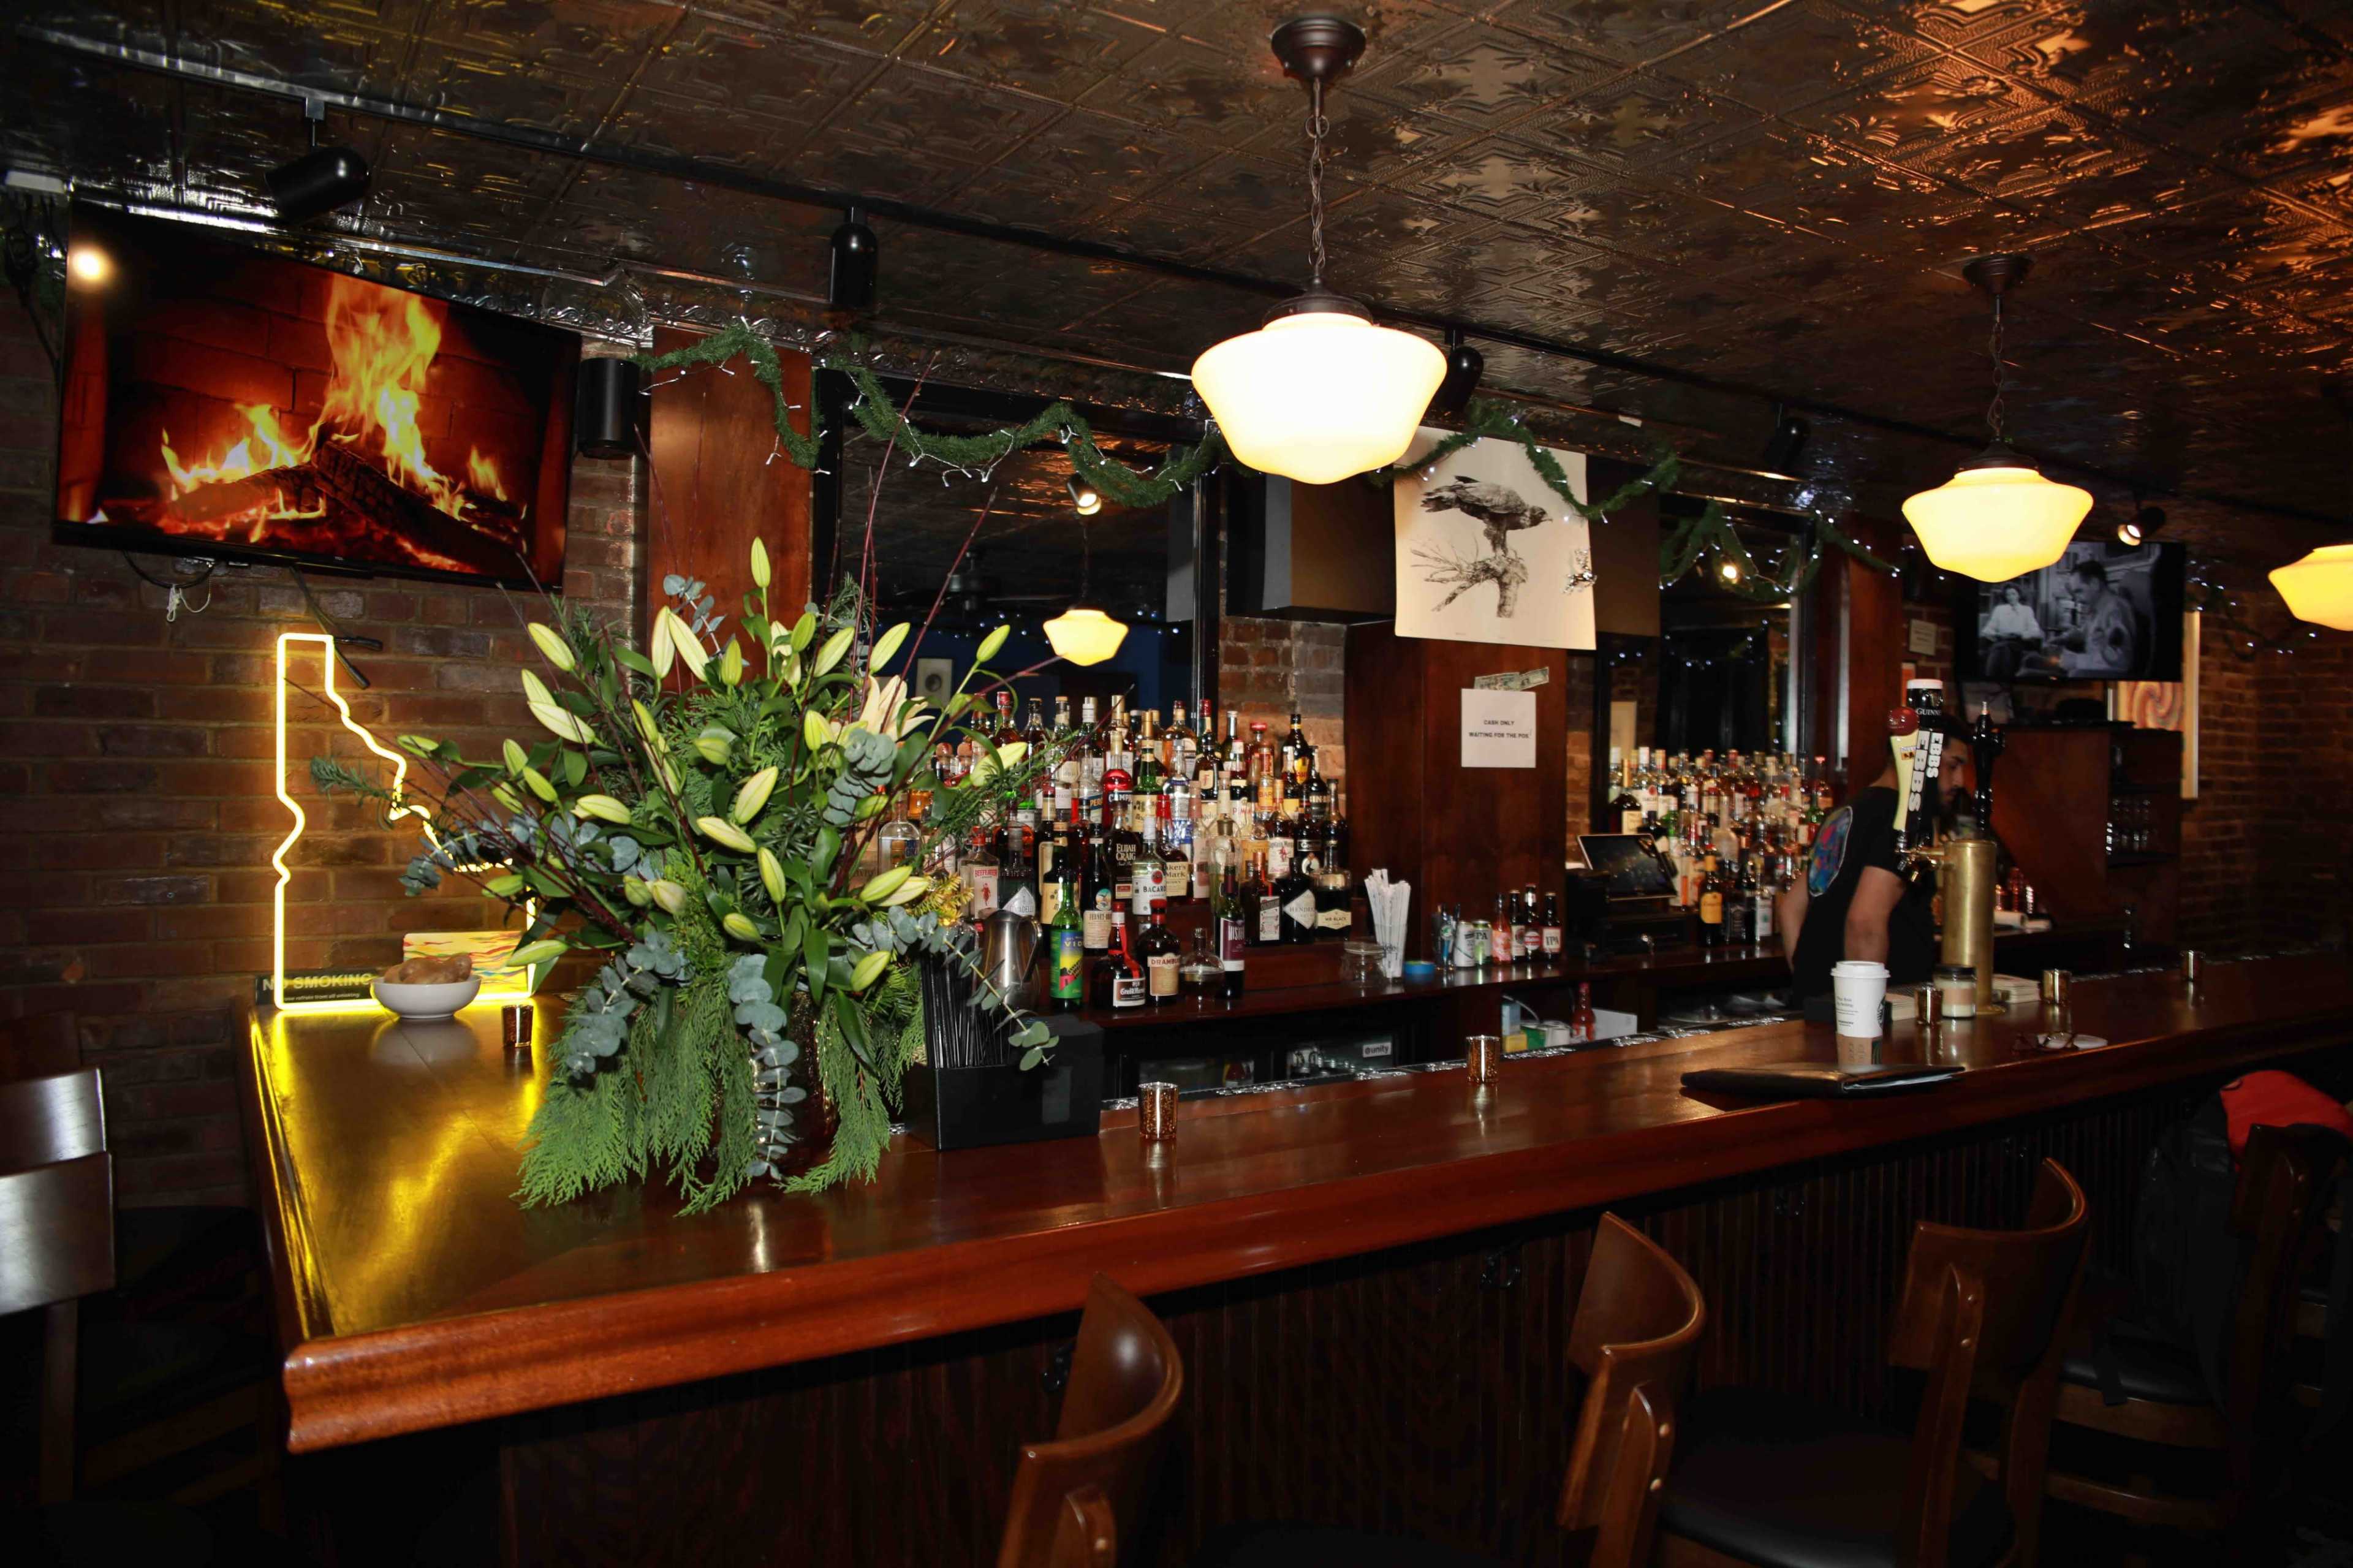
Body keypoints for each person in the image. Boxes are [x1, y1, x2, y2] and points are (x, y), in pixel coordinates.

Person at [1776, 746, 1968, 1013]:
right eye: (1953, 765)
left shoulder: (1845, 812)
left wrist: (1811, 983)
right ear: (1922, 753)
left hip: (1819, 1009)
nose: (1961, 781)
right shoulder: (1906, 820)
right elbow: (1864, 924)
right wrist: (1866, 1020)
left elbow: (1790, 907)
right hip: (1883, 1017)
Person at [1976, 585, 2044, 680]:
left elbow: (2035, 631)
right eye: (2008, 595)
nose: (2011, 597)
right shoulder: (1999, 610)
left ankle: (1990, 677)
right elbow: (1987, 630)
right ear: (2005, 597)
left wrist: (2021, 634)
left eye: (2013, 594)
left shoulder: (2027, 610)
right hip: (2001, 641)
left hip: (2019, 642)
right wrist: (1997, 634)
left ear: (2019, 595)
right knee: (2003, 648)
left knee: (2001, 648)